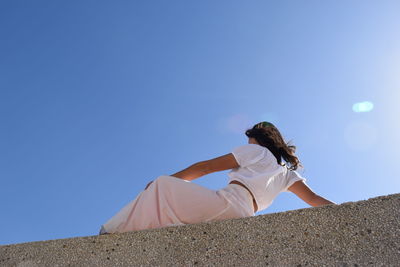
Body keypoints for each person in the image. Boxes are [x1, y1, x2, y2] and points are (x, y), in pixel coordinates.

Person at [98, 121, 336, 235]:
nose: (248, 144)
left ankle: (112, 232)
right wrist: (343, 210)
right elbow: (313, 199)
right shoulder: (287, 173)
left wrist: (171, 178)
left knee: (161, 185)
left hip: (226, 203)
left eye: (250, 140)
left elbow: (206, 167)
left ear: (259, 140)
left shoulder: (256, 151)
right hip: (244, 215)